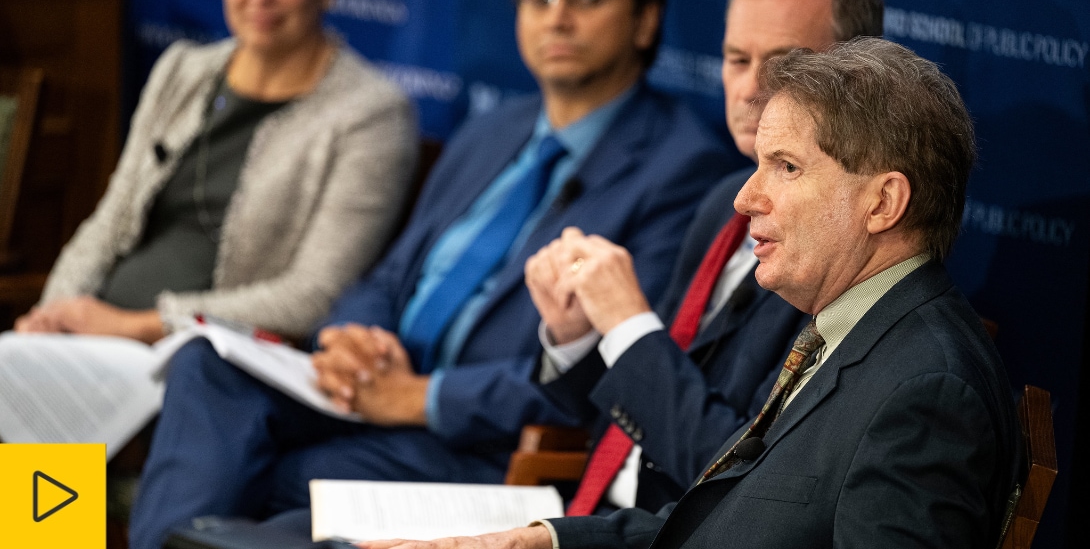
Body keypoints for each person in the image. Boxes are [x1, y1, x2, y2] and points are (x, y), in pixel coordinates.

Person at [128, 0, 730, 549]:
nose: (557, 15)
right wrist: (355, 336)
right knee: (203, 366)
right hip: (373, 394)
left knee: (279, 477)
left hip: (483, 445)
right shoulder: (493, 129)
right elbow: (388, 277)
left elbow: (602, 369)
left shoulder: (682, 170)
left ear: (645, 20)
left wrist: (419, 398)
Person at [365, 37, 1021, 549]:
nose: (745, 198)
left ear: (883, 201)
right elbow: (722, 527)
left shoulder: (928, 390)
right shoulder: (841, 333)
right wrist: (537, 539)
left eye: (785, 167)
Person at [526, 0, 882, 514]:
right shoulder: (723, 201)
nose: (749, 90)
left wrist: (628, 324)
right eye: (737, 59)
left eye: (784, 64)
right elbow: (642, 407)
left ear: (856, 70)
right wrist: (580, 339)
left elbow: (738, 478)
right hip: (594, 516)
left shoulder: (845, 244)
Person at [14, 0, 416, 343]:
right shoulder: (181, 71)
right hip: (95, 340)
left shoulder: (371, 115)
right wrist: (52, 318)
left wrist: (138, 327)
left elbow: (312, 297)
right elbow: (107, 226)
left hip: (206, 365)